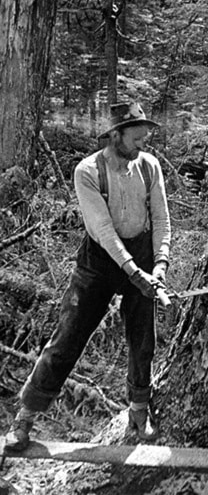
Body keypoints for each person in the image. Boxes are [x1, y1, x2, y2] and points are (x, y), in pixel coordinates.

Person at [4, 101, 171, 450]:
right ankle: (25, 417)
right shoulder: (88, 171)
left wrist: (159, 266)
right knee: (68, 338)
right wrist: (132, 271)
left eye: (145, 137)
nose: (143, 144)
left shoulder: (150, 167)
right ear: (115, 135)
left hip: (140, 258)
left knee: (144, 342)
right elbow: (103, 229)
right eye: (137, 138)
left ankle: (139, 413)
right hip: (98, 263)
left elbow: (162, 220)